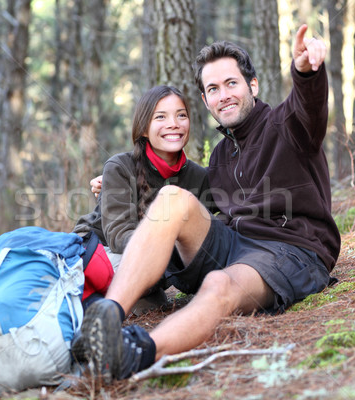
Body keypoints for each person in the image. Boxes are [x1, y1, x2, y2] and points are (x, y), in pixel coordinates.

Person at [72, 24, 341, 381]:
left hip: (290, 251)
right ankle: (106, 318)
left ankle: (136, 353)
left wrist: (305, 73)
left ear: (253, 86)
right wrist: (120, 188)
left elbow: (308, 106)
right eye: (213, 89)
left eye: (232, 83)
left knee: (219, 284)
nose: (224, 95)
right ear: (205, 101)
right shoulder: (219, 158)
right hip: (236, 245)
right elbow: (185, 202)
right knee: (171, 199)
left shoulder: (286, 125)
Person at [72, 85, 213, 310]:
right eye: (161, 117)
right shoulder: (120, 167)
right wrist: (165, 252)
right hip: (101, 251)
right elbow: (119, 237)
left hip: (149, 261)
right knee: (140, 273)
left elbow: (212, 231)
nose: (173, 123)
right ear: (144, 128)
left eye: (181, 115)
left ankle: (135, 295)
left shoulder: (198, 176)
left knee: (152, 292)